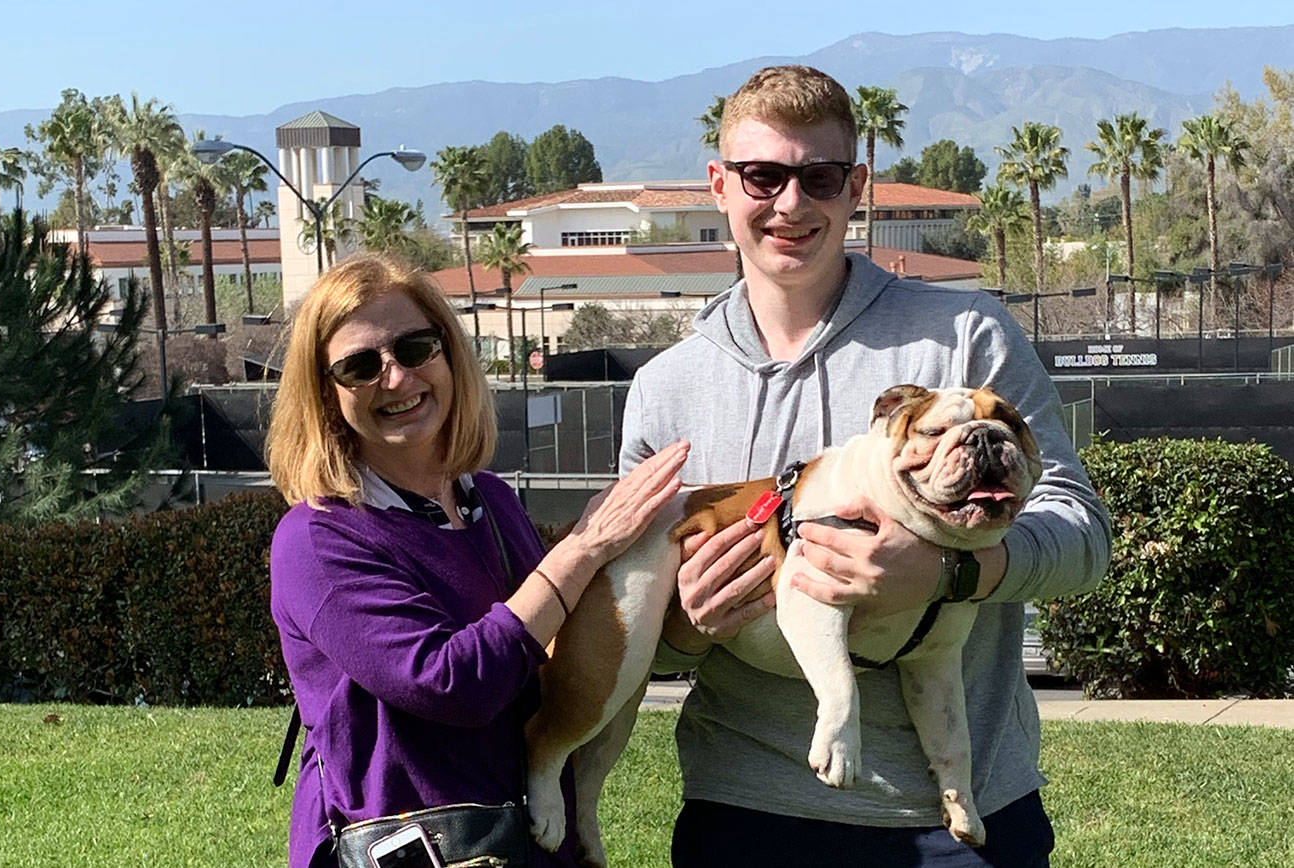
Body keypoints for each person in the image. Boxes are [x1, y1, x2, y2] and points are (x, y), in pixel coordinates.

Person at [620, 66, 1111, 866]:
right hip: (746, 807)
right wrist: (687, 623)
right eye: (762, 177)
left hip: (963, 819)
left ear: (855, 187)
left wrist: (951, 573)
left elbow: (1083, 538)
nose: (790, 204)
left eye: (818, 178)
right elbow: (646, 629)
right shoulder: (664, 390)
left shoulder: (966, 337)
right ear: (719, 185)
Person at [266, 254, 687, 868]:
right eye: (360, 366)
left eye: (416, 348)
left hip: (529, 841)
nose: (396, 378)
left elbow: (554, 650)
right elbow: (450, 684)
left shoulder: (489, 499)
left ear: (449, 356)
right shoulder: (318, 540)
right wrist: (584, 547)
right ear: (324, 395)